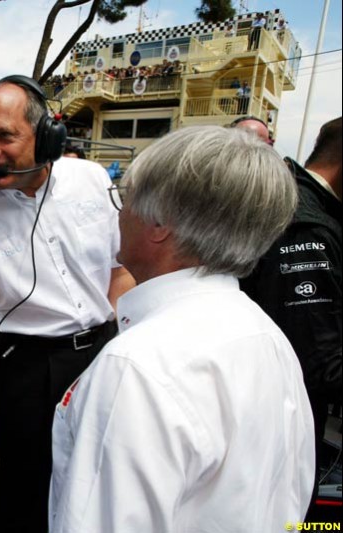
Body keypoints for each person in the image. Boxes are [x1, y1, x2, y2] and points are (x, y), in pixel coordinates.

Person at [49, 126, 314, 531]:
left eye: (125, 197)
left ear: (160, 223)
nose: (118, 213)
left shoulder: (136, 366)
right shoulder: (270, 339)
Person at [0, 76, 135, 532]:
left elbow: (121, 270)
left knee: (106, 475)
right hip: (25, 367)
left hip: (103, 349)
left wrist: (119, 342)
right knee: (27, 489)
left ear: (46, 136)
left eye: (4, 136)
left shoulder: (93, 180)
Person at [240, 117, 341, 518]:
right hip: (281, 427)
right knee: (297, 523)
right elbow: (320, 363)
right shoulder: (305, 225)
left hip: (285, 420)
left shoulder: (309, 209)